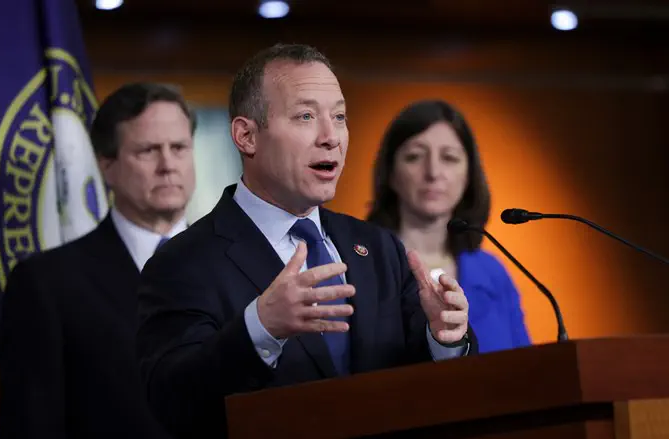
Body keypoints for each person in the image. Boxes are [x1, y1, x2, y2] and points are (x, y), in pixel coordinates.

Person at [135, 44, 477, 439]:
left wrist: (444, 337)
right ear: (246, 136)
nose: (331, 137)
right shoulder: (183, 261)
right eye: (306, 116)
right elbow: (172, 400)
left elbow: (428, 387)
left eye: (339, 117)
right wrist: (261, 328)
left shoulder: (378, 248)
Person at [0, 82, 197, 438]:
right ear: (107, 166)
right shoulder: (46, 284)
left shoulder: (236, 261)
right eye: (148, 150)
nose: (168, 165)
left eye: (179, 148)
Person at [366, 99, 531, 353]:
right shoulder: (365, 265)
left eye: (449, 158)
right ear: (390, 173)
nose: (433, 172)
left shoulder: (493, 273)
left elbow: (526, 370)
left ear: (468, 175)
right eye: (414, 157)